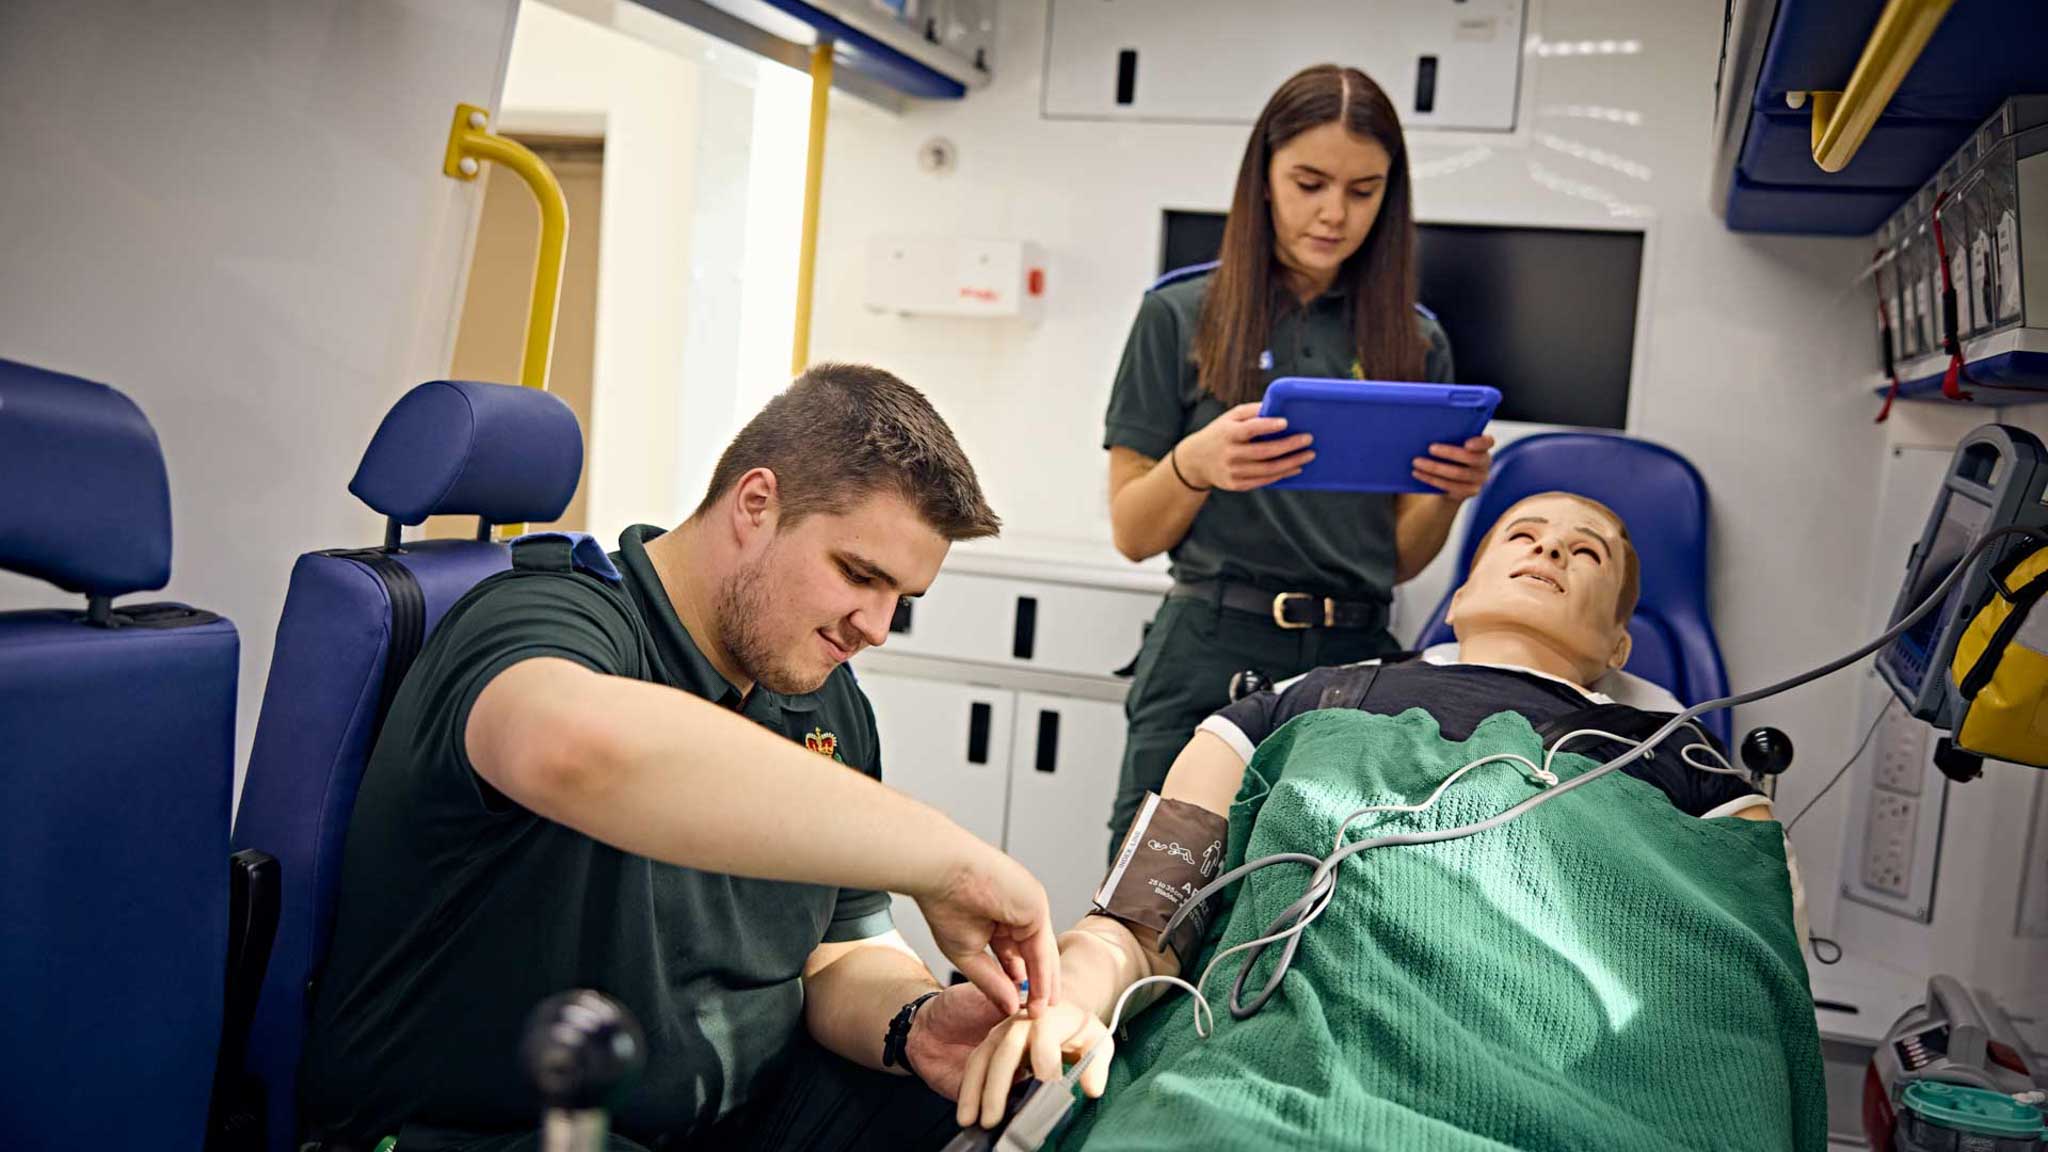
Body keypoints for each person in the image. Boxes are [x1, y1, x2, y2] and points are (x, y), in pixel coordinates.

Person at [301, 364, 1059, 1152]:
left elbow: (838, 950)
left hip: (734, 1116)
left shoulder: (819, 694)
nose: (876, 625)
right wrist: (946, 859)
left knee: (1010, 1110)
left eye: (901, 598)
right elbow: (577, 751)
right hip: (502, 1132)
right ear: (756, 504)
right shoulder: (544, 616)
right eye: (858, 575)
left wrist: (917, 1024)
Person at [955, 493, 1823, 1150]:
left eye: (1586, 551)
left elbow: (1745, 973)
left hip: (1594, 1097)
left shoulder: (1680, 759)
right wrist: (1070, 997)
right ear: (1461, 589)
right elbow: (1137, 920)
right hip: (1272, 1081)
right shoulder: (1302, 701)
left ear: (1619, 650)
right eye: (1522, 535)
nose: (1550, 548)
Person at [1103, 63, 1496, 856]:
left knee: (1310, 900)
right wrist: (1194, 465)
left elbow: (1399, 559)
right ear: (1265, 178)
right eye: (1309, 182)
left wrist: (1451, 494)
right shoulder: (1179, 315)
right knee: (1152, 894)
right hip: (1211, 645)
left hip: (1356, 658)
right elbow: (1131, 532)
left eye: (1362, 190)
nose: (1333, 213)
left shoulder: (1416, 340)